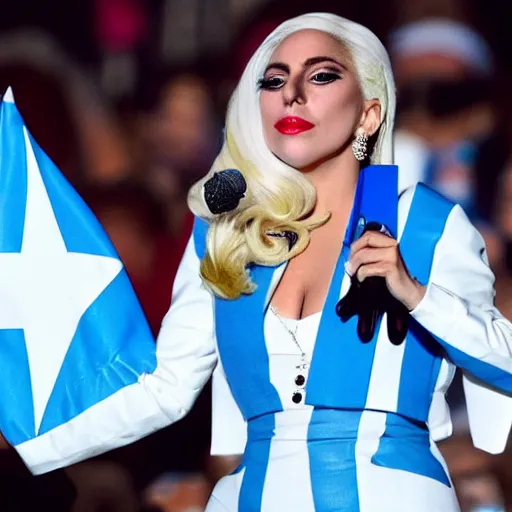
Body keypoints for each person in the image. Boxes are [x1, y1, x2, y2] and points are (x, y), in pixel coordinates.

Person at [1, 12, 512, 512]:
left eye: (321, 75)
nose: (292, 93)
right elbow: (164, 389)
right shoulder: (224, 235)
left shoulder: (427, 223)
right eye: (274, 79)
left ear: (369, 113)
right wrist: (23, 431)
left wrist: (417, 295)